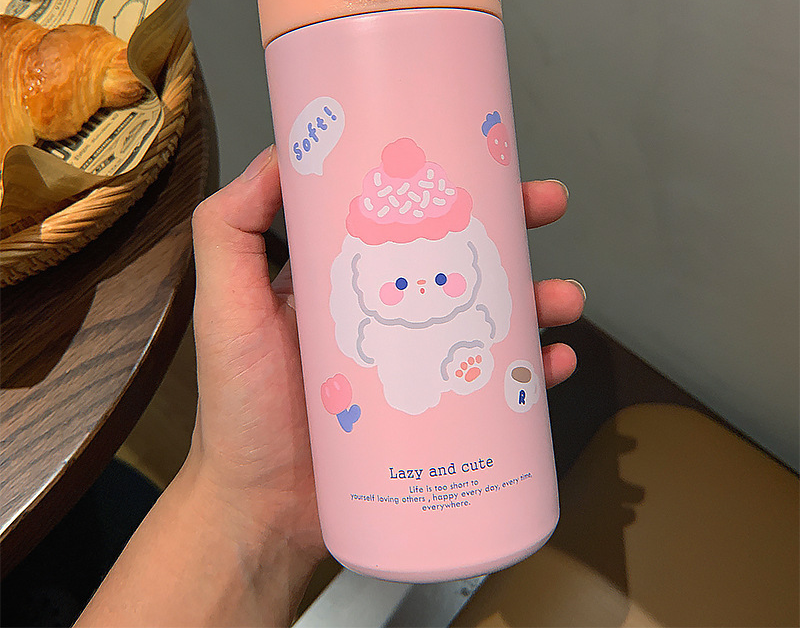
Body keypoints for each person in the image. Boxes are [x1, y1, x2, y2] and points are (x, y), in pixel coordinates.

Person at [75, 146, 585, 627]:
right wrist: (247, 505)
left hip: (467, 381)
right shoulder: (360, 283)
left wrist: (247, 514)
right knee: (415, 386)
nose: (420, 290)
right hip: (387, 411)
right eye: (400, 283)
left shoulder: (463, 263)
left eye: (441, 279)